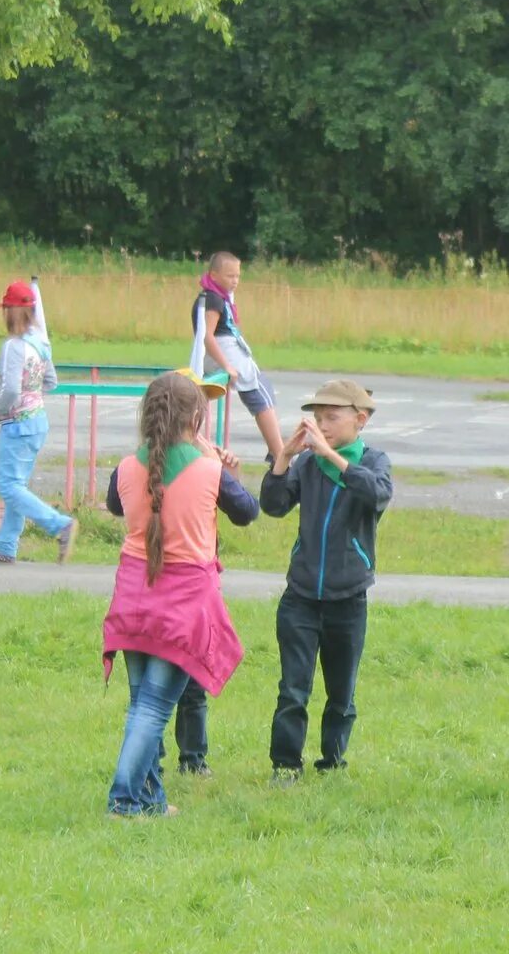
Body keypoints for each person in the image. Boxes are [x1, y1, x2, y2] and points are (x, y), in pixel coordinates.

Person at [100, 371, 258, 816]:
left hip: (132, 597)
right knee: (151, 710)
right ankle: (124, 800)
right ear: (197, 417)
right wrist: (221, 465)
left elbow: (116, 505)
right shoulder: (209, 470)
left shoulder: (128, 467)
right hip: (183, 603)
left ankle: (150, 800)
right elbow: (248, 511)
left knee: (140, 707)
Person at [258, 379, 394, 780]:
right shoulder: (307, 464)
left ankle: (332, 761)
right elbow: (273, 505)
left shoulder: (373, 461)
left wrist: (331, 456)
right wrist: (283, 456)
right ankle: (285, 764)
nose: (322, 425)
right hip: (300, 596)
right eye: (317, 418)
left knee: (341, 693)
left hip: (348, 598)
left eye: (332, 418)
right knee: (293, 689)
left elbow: (377, 493)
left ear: (361, 419)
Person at [0, 281, 77, 565]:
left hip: (17, 424)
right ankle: (6, 546)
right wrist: (32, 395)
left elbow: (10, 388)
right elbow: (51, 381)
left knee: (9, 486)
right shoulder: (39, 343)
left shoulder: (13, 347)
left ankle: (59, 525)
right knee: (18, 485)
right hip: (37, 420)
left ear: (10, 312)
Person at [196, 251, 284, 463]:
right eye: (229, 276)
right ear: (214, 275)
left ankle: (277, 451)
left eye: (237, 276)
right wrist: (226, 366)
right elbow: (208, 336)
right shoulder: (213, 298)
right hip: (222, 350)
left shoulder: (218, 296)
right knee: (257, 393)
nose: (235, 281)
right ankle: (279, 453)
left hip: (227, 348)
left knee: (263, 389)